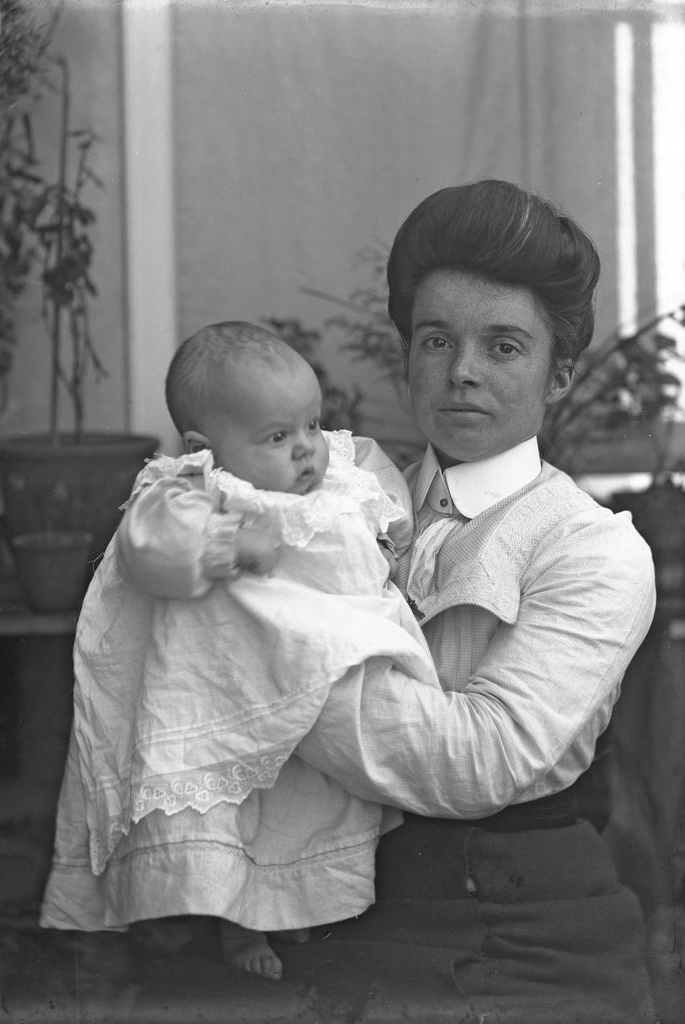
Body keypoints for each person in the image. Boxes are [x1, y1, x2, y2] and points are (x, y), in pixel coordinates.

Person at [285, 179, 658, 1022]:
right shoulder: (335, 498)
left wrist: (270, 681)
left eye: (503, 348)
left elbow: (482, 758)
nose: (461, 373)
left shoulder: (591, 548)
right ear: (407, 355)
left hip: (516, 928)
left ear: (558, 374)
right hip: (327, 905)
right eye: (436, 340)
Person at [39, 322, 439, 982]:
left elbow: (382, 498)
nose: (307, 448)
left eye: (311, 424)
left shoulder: (335, 468)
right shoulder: (190, 489)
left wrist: (391, 533)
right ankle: (235, 928)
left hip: (311, 681)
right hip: (231, 687)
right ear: (206, 447)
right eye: (278, 437)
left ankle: (299, 906)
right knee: (234, 817)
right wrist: (226, 544)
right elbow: (151, 549)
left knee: (302, 807)